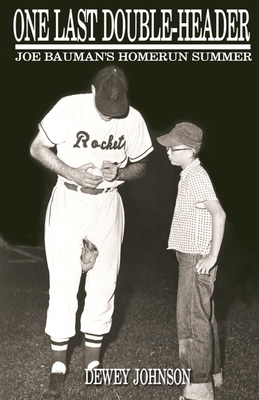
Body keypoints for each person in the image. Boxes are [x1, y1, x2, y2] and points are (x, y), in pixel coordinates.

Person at [30, 65, 153, 399]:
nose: (112, 113)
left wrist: (122, 171)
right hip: (69, 198)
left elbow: (143, 164)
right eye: (105, 104)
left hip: (108, 203)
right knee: (64, 279)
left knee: (104, 281)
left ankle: (92, 363)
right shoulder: (70, 106)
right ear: (92, 90)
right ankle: (58, 364)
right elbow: (37, 147)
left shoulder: (133, 118)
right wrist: (70, 170)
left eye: (118, 105)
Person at [157, 122, 226, 400]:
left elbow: (218, 214)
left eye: (173, 148)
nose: (168, 152)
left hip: (197, 257)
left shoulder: (196, 176)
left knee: (190, 320)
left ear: (191, 151)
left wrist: (211, 255)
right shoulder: (189, 174)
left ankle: (198, 386)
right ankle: (214, 372)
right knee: (204, 317)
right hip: (193, 254)